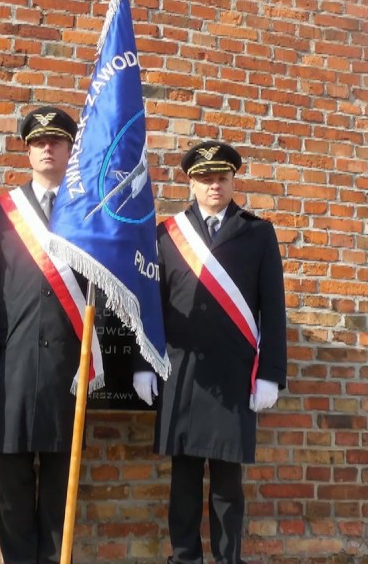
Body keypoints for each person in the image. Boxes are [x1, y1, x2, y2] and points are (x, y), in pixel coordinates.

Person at [132, 139, 288, 564]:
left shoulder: (258, 233)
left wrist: (271, 373)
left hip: (233, 375)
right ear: (191, 182)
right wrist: (143, 362)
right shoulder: (167, 235)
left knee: (226, 486)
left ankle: (227, 559)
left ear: (233, 179)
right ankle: (184, 558)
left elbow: (272, 309)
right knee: (182, 483)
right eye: (204, 178)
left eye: (221, 177)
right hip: (181, 373)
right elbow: (150, 305)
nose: (213, 185)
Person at [0, 105, 104, 564]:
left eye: (56, 141)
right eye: (38, 142)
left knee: (61, 482)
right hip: (14, 362)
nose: (47, 148)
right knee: (12, 479)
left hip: (70, 363)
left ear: (69, 150)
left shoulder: (91, 212)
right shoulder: (3, 211)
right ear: (27, 151)